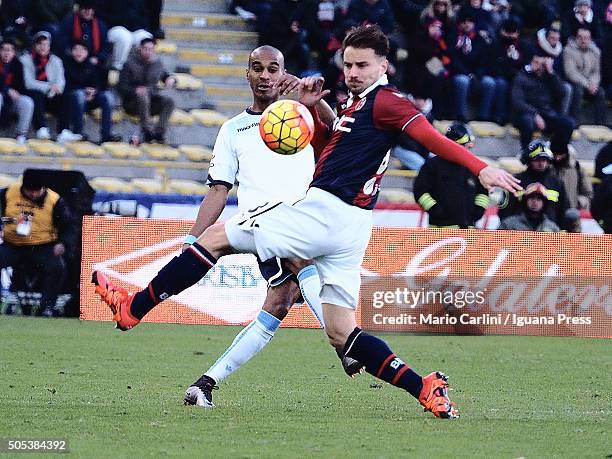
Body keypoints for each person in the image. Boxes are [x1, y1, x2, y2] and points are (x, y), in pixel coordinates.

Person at [92, 24, 521, 420]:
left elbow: (432, 138)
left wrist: (480, 168)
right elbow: (331, 150)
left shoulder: (388, 101)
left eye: (362, 65)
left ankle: (134, 307)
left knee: (217, 238)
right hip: (350, 228)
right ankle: (423, 387)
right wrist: (315, 111)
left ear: (383, 66)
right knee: (341, 333)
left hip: (325, 211)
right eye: (347, 65)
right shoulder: (357, 105)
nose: (352, 72)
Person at [177, 46, 361, 407]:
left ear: (283, 73)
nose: (264, 75)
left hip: (312, 216)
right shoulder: (233, 130)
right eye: (257, 69)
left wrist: (317, 102)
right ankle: (347, 346)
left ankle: (204, 384)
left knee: (277, 305)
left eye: (272, 68)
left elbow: (338, 134)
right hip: (265, 226)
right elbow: (217, 191)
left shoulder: (300, 116)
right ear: (247, 75)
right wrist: (193, 239)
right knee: (302, 265)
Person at [0, 169, 76, 317]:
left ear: (43, 188)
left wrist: (63, 244)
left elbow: (69, 226)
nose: (34, 195)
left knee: (57, 267)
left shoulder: (55, 200)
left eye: (38, 191)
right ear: (23, 187)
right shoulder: (8, 193)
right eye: (30, 191)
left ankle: (47, 306)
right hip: (13, 244)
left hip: (42, 246)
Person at [414, 122, 490, 227]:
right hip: (440, 230)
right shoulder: (432, 165)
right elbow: (420, 191)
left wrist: (478, 211)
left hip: (468, 230)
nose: (469, 148)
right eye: (465, 145)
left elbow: (483, 191)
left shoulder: (472, 166)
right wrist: (436, 211)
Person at [511, 50, 575, 150]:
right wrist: (535, 114)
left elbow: (562, 93)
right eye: (536, 63)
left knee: (568, 123)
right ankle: (526, 152)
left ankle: (558, 151)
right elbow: (517, 102)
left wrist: (551, 73)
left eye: (542, 64)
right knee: (527, 121)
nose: (539, 66)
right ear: (531, 62)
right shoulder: (521, 77)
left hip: (547, 114)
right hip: (527, 114)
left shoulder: (548, 77)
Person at [498, 139, 570, 226]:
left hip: (549, 234)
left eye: (545, 159)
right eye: (537, 159)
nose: (541, 163)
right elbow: (504, 212)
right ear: (528, 160)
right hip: (519, 233)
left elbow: (564, 210)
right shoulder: (516, 181)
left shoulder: (557, 182)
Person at [117, 37, 176, 143]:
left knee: (169, 101)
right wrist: (135, 90)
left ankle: (159, 132)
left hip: (151, 100)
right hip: (132, 103)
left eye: (151, 49)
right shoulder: (129, 64)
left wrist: (170, 79)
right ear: (140, 48)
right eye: (146, 49)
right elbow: (121, 87)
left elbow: (165, 75)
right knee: (143, 95)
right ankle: (146, 131)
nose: (148, 52)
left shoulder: (157, 64)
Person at [61, 41, 121, 143]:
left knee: (108, 96)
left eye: (82, 50)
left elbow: (97, 85)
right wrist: (84, 91)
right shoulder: (66, 64)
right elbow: (65, 87)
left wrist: (93, 92)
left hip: (89, 98)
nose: (79, 52)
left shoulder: (90, 65)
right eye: (76, 49)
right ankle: (78, 132)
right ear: (72, 51)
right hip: (71, 99)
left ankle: (106, 135)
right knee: (79, 94)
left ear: (87, 52)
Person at [449, 10, 495, 122]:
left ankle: (483, 116)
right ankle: (460, 115)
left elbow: (484, 61)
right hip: (459, 73)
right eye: (464, 21)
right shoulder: (453, 37)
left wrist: (477, 74)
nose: (466, 24)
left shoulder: (480, 39)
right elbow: (452, 59)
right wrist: (467, 74)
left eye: (470, 21)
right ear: (459, 23)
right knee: (462, 81)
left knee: (489, 82)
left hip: (476, 75)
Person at [21, 31, 67, 140]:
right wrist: (49, 87)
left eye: (46, 44)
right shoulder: (25, 60)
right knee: (37, 94)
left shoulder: (56, 60)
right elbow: (29, 83)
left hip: (51, 96)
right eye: (40, 44)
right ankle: (41, 129)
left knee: (66, 97)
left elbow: (60, 81)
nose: (43, 47)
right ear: (35, 45)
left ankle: (63, 132)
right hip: (34, 95)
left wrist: (54, 90)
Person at [563, 27, 607, 125]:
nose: (583, 40)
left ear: (590, 39)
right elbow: (571, 73)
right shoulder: (568, 50)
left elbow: (596, 72)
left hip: (590, 83)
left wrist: (593, 84)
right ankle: (574, 122)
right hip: (575, 82)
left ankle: (600, 124)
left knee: (600, 92)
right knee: (577, 90)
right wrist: (588, 85)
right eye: (580, 37)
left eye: (586, 38)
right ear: (576, 38)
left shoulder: (596, 51)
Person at [95, 0, 153, 70]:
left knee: (146, 38)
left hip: (134, 29)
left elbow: (144, 15)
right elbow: (101, 14)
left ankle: (142, 69)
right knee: (124, 37)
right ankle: (118, 68)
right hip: (112, 28)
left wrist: (137, 24)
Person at [56, 0, 111, 73]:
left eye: (91, 9)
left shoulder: (100, 26)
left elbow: (105, 47)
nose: (88, 12)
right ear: (79, 9)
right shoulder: (69, 22)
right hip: (72, 64)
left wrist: (98, 58)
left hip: (93, 65)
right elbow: (63, 44)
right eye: (85, 9)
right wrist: (75, 55)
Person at [0, 39, 35, 144]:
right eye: (4, 50)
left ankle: (21, 134)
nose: (6, 53)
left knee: (27, 102)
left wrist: (14, 93)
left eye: (9, 50)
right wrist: (6, 90)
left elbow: (21, 88)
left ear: (14, 53)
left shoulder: (18, 65)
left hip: (12, 100)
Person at [551, 144, 592, 210]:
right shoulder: (547, 168)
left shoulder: (577, 168)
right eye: (555, 154)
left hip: (571, 212)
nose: (557, 158)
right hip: (550, 212)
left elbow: (588, 193)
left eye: (561, 154)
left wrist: (579, 202)